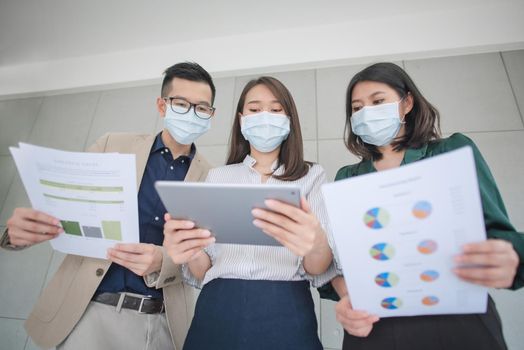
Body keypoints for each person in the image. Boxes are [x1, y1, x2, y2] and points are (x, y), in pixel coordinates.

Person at [1, 62, 217, 350]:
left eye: (201, 108)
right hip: (87, 313)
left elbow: (206, 263)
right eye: (181, 104)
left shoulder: (212, 178)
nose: (192, 114)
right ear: (162, 106)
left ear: (210, 115)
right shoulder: (112, 144)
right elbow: (62, 210)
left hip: (162, 322)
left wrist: (162, 261)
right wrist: (19, 233)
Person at [318, 62, 524, 350]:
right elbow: (337, 265)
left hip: (459, 322)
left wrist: (512, 257)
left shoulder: (451, 151)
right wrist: (345, 301)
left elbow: (501, 234)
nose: (366, 113)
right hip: (374, 326)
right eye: (357, 108)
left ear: (407, 104)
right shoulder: (346, 178)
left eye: (378, 101)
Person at [163, 76, 338, 350]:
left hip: (286, 305)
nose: (264, 116)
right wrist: (189, 248)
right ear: (242, 120)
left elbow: (316, 266)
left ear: (289, 119)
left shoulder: (312, 176)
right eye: (255, 110)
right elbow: (201, 270)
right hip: (217, 304)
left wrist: (315, 240)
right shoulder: (218, 177)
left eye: (276, 109)